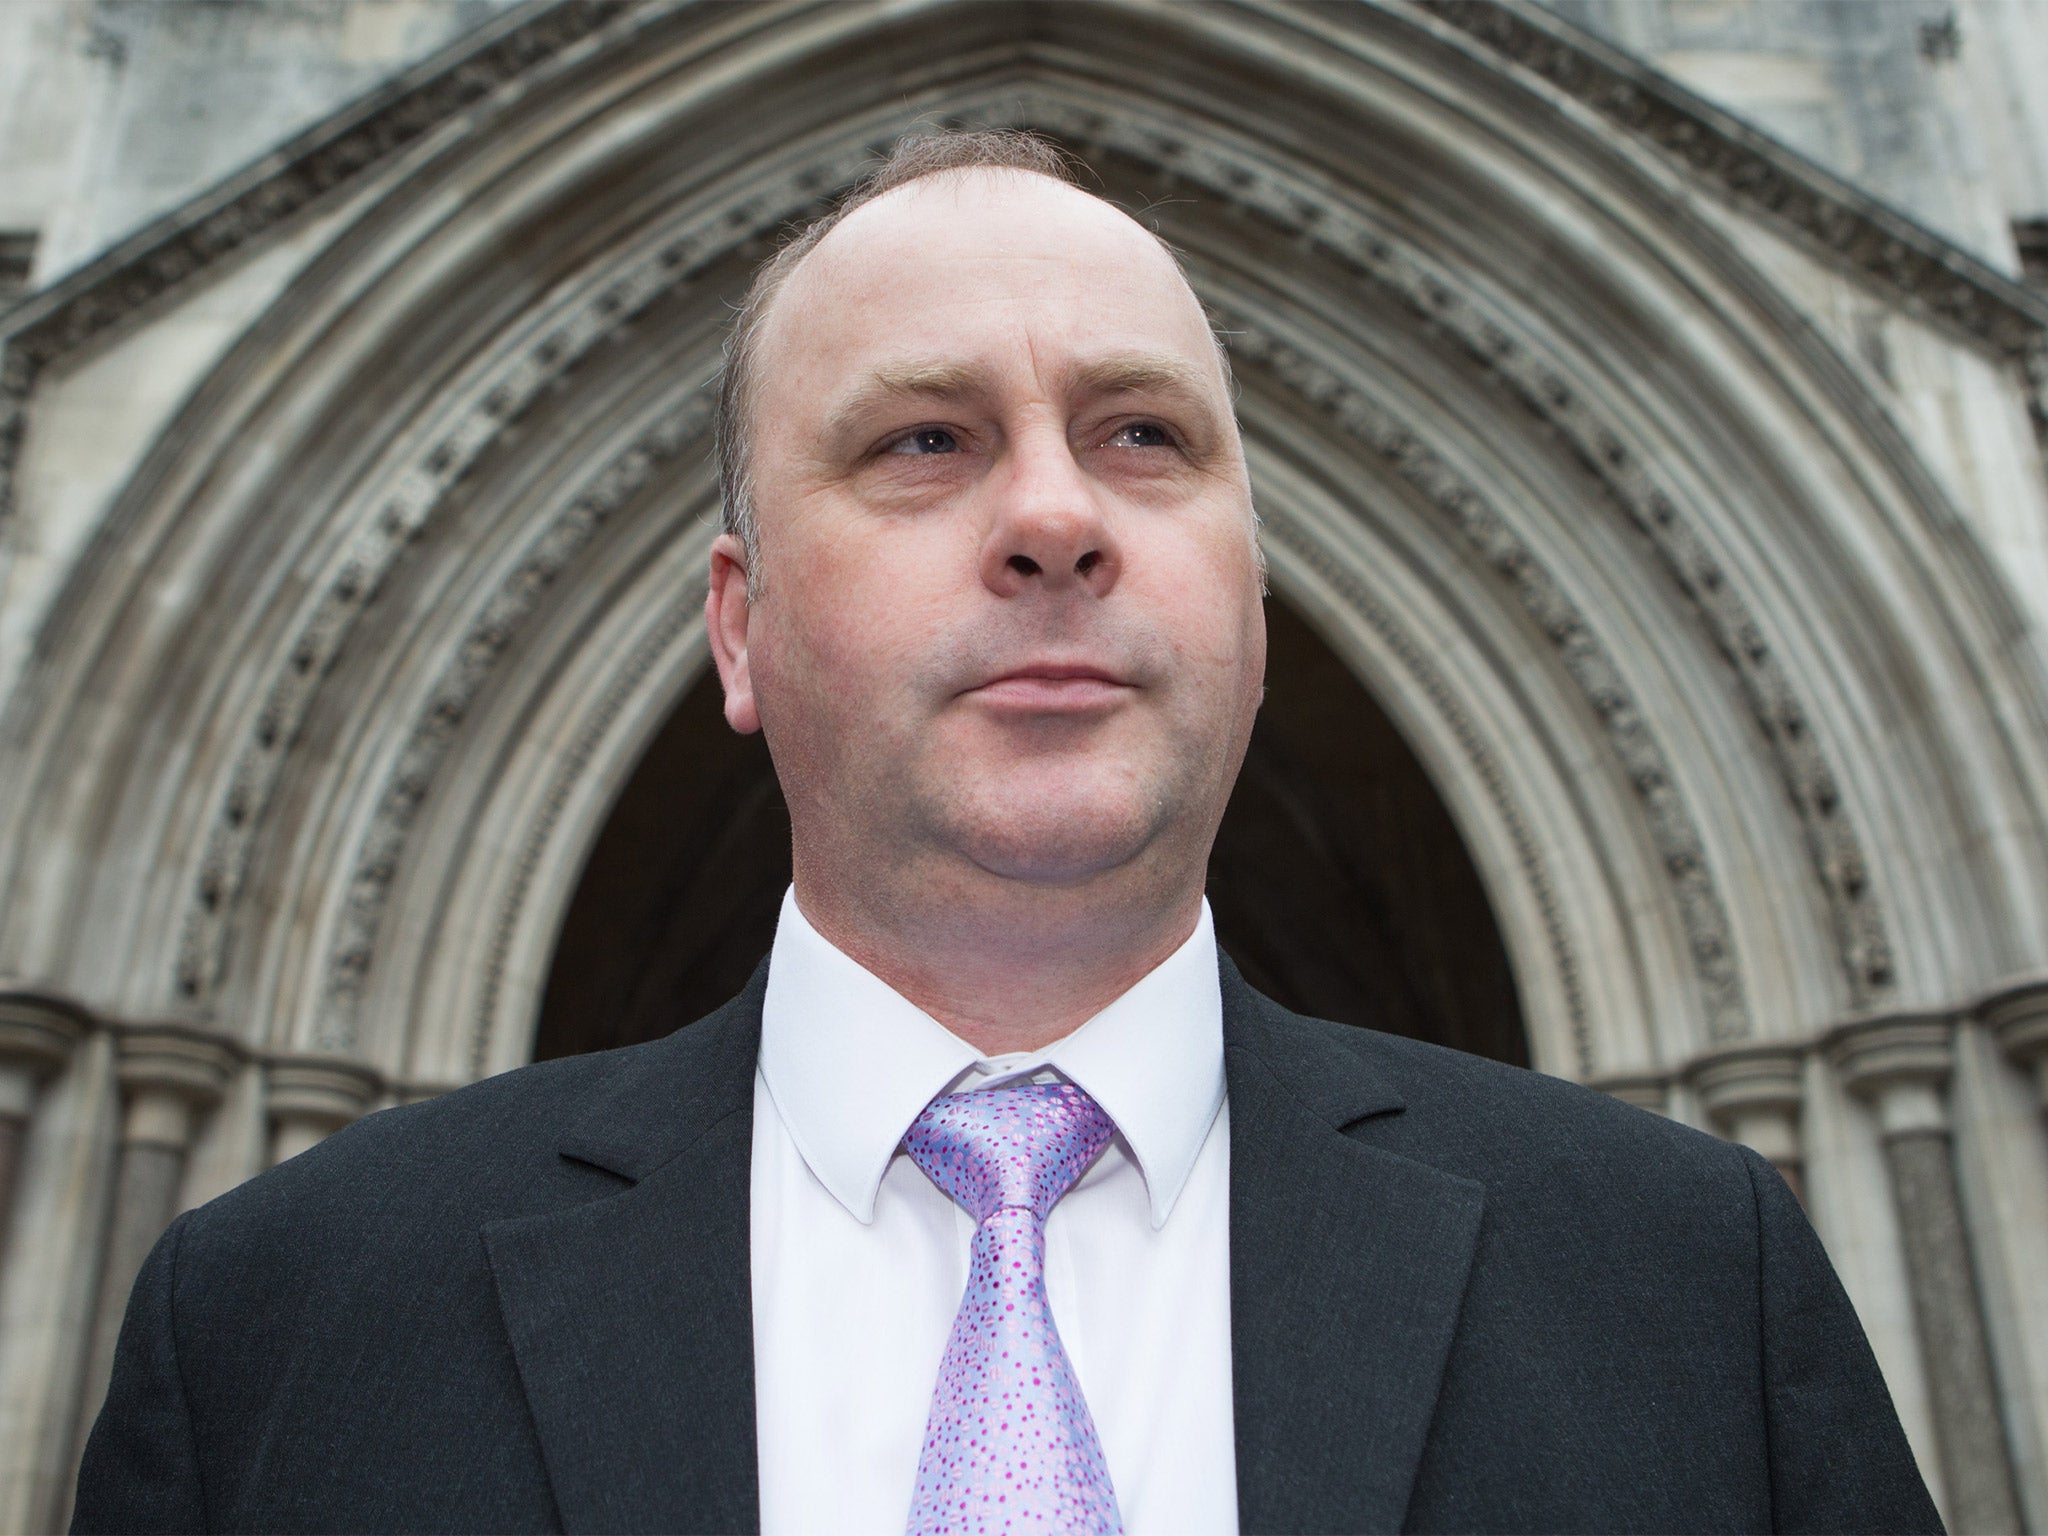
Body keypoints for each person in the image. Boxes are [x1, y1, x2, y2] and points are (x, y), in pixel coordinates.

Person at [74, 130, 1940, 1536]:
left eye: (1143, 436)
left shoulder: (1692, 1285)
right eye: (924, 444)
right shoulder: (275, 1329)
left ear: (1255, 609)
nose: (1056, 517)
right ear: (741, 626)